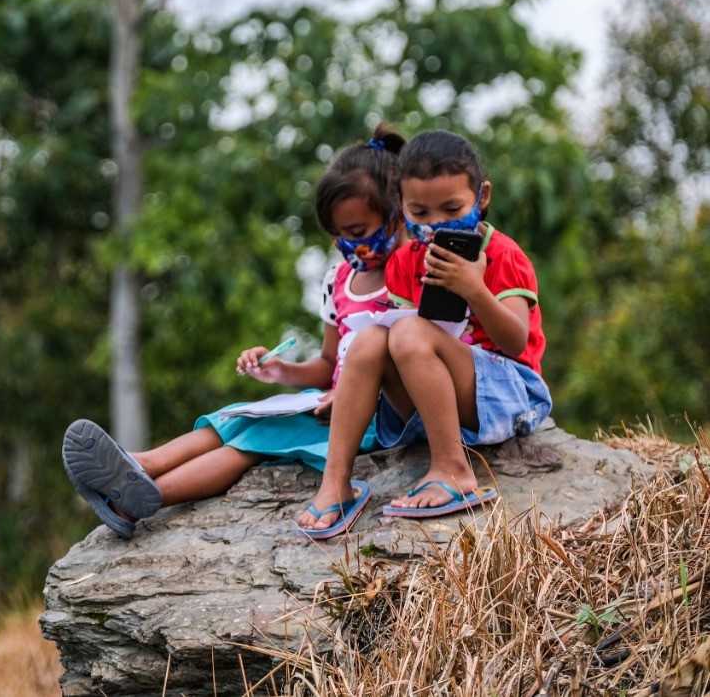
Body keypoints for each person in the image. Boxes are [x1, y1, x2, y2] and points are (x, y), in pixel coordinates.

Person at [62, 125, 407, 539]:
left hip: (371, 419)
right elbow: (329, 365)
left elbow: (417, 356)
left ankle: (141, 496)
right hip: (323, 404)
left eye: (356, 233)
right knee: (231, 418)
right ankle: (143, 463)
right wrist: (281, 371)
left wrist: (352, 393)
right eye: (337, 236)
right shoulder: (339, 281)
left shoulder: (412, 276)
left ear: (398, 214)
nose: (346, 247)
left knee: (254, 438)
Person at [296, 129, 552, 538]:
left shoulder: (502, 254)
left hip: (508, 394)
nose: (436, 225)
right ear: (401, 206)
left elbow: (515, 341)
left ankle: (453, 468)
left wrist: (474, 288)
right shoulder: (403, 262)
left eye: (452, 209)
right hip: (433, 398)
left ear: (481, 198)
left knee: (407, 333)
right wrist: (345, 392)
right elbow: (396, 347)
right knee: (372, 339)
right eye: (420, 213)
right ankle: (337, 483)